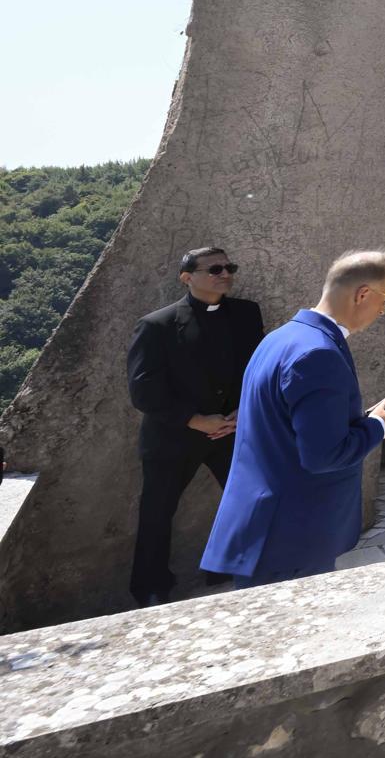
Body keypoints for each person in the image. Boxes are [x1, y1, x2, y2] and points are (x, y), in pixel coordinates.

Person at [202, 251, 385, 587]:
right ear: (363, 294)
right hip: (292, 535)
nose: (383, 311)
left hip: (263, 522)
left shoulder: (282, 338)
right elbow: (323, 456)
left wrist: (358, 419)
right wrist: (378, 426)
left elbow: (286, 424)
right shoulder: (319, 354)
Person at [125, 247, 265, 606]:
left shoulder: (248, 314)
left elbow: (255, 368)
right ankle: (151, 589)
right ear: (187, 277)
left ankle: (226, 567)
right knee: (157, 513)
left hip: (232, 430)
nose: (225, 274)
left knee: (248, 499)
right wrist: (197, 420)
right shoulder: (156, 325)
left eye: (229, 267)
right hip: (173, 437)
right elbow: (143, 390)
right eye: (214, 269)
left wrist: (237, 415)